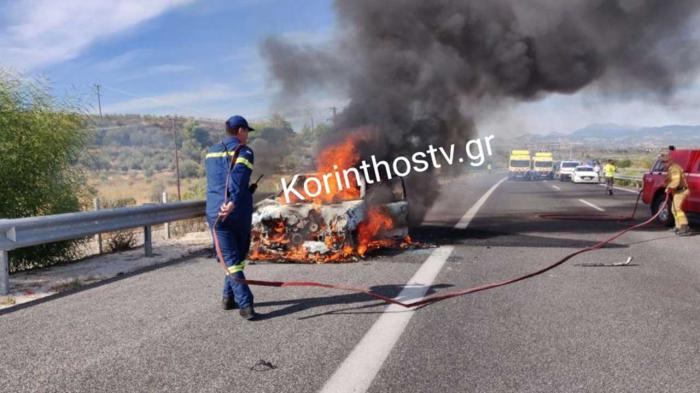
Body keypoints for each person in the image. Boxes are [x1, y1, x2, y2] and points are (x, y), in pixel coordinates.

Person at [205, 115, 258, 320]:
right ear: (240, 131)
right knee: (235, 260)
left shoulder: (210, 152)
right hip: (236, 212)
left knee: (232, 258)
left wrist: (243, 193)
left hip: (214, 212)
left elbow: (218, 180)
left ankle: (228, 297)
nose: (247, 136)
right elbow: (237, 178)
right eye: (247, 132)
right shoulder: (244, 151)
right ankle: (246, 305)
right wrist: (234, 201)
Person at [662, 153, 691, 236]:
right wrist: (666, 183)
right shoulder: (671, 168)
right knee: (673, 209)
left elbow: (676, 181)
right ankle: (678, 227)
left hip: (680, 191)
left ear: (669, 161)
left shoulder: (674, 168)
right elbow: (670, 180)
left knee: (677, 209)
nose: (664, 164)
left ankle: (684, 227)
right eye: (663, 162)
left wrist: (668, 187)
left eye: (665, 162)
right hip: (677, 192)